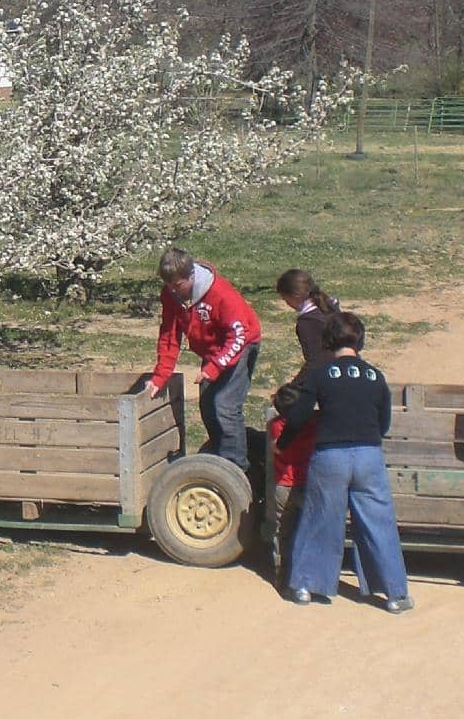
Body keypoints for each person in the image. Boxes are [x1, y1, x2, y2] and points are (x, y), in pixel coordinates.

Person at [279, 311, 412, 612]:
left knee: (320, 518)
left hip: (331, 456)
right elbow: (384, 423)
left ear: (328, 341)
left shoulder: (321, 375)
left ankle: (305, 586)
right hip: (368, 455)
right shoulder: (376, 376)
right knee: (378, 523)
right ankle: (394, 594)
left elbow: (298, 416)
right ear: (360, 341)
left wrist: (283, 444)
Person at [146, 247, 261, 475]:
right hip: (212, 351)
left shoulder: (220, 294)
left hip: (240, 343)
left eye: (177, 285)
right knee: (208, 407)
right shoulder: (171, 295)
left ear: (191, 276)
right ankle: (221, 454)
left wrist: (215, 366)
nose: (172, 290)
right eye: (168, 285)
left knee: (225, 405)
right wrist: (160, 376)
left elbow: (239, 334)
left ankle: (237, 470)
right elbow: (169, 335)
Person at [265, 269, 342, 585]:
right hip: (339, 388)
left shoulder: (307, 322)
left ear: (293, 297)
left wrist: (294, 391)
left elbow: (314, 361)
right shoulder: (331, 308)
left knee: (285, 525)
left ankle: (287, 575)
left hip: (321, 389)